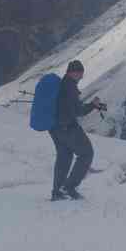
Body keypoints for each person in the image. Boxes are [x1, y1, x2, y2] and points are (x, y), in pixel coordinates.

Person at [49, 60, 105, 200]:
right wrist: (93, 105)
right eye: (80, 74)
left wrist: (92, 105)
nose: (81, 77)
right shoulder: (70, 87)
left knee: (64, 157)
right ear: (74, 73)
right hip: (68, 127)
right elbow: (79, 111)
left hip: (55, 128)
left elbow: (69, 106)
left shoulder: (62, 85)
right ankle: (69, 187)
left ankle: (57, 192)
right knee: (86, 153)